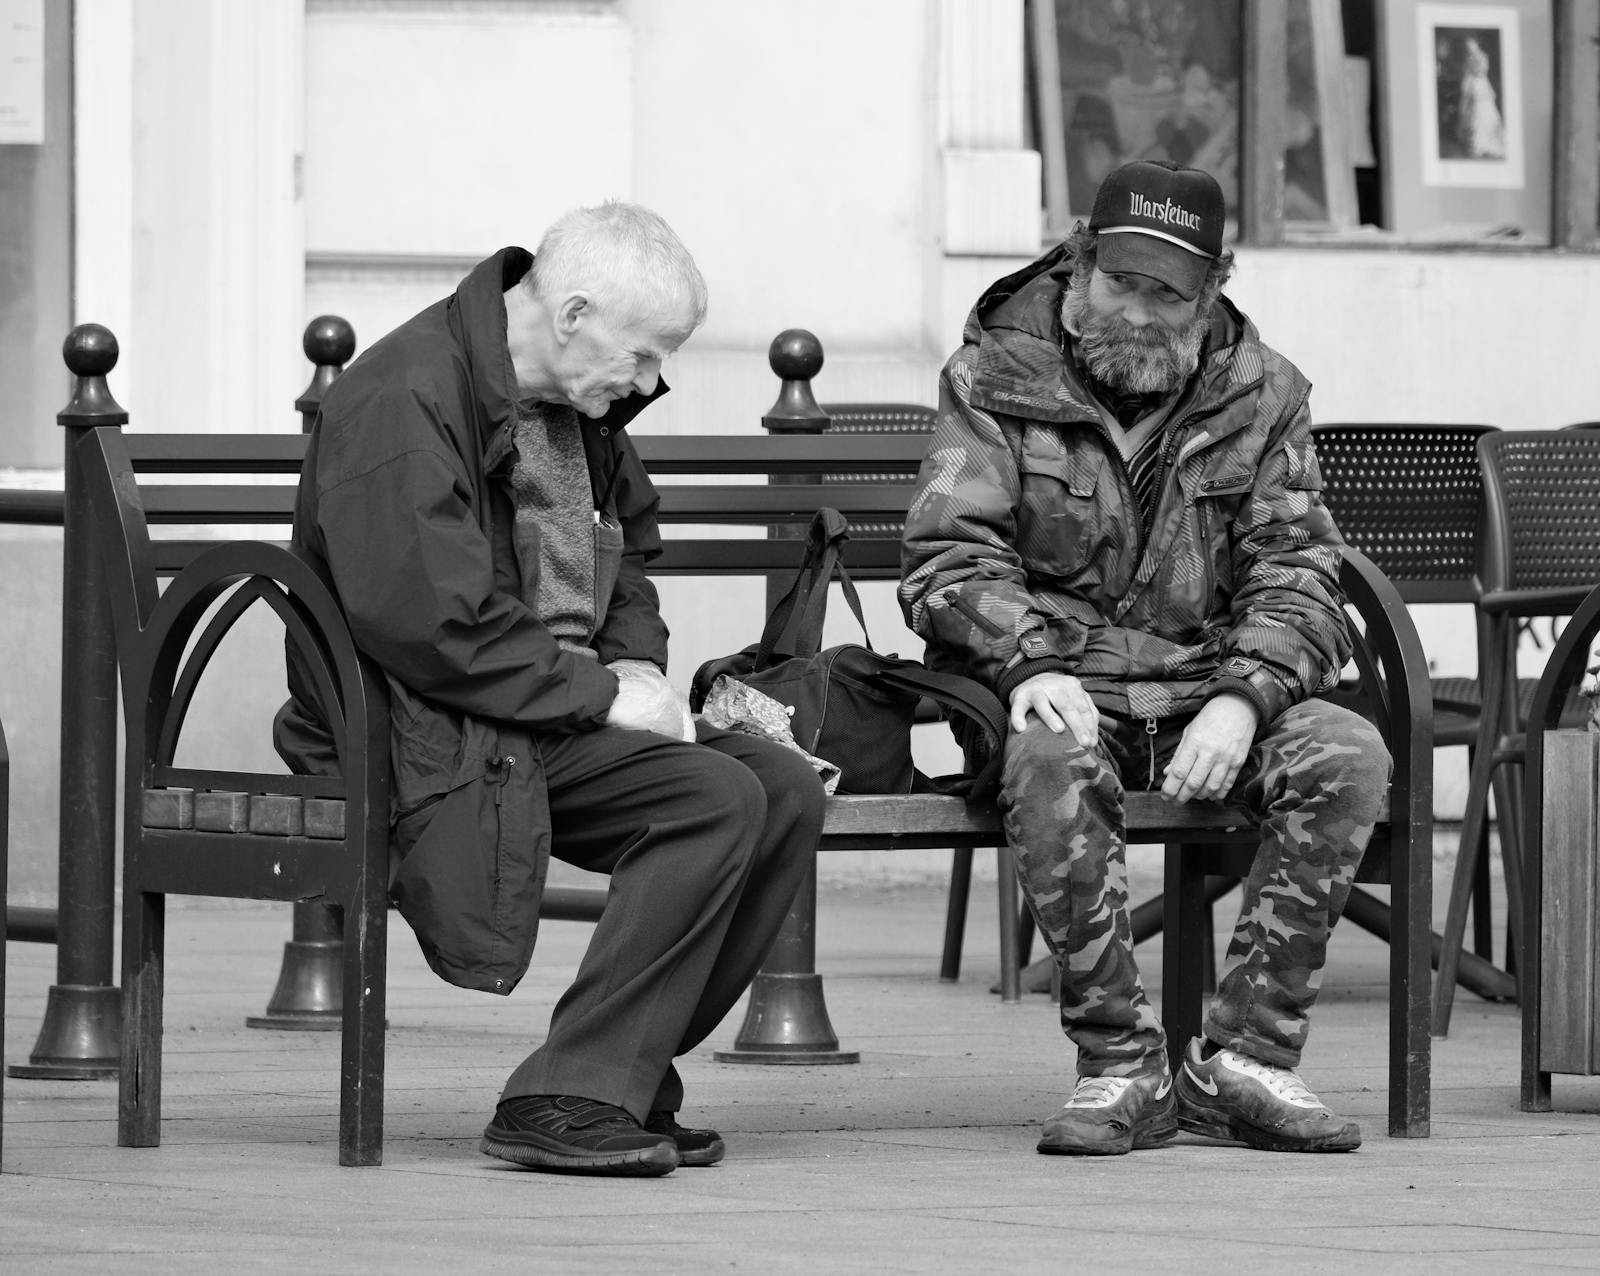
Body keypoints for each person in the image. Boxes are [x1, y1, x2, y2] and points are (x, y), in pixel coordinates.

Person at [274, 201, 823, 1177]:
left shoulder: (579, 406)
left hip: (540, 714)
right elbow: (430, 625)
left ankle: (620, 1070)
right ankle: (569, 1092)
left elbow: (629, 560)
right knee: (712, 799)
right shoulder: (403, 401)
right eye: (646, 354)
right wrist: (602, 695)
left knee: (777, 786)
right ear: (572, 315)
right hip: (427, 726)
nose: (651, 381)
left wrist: (641, 668)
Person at [899, 160, 1386, 1156]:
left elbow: (1298, 569)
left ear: (1211, 291)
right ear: (1079, 264)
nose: (1137, 306)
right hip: (1060, 681)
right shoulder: (990, 376)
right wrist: (1027, 662)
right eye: (1119, 279)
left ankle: (1244, 1060)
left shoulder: (1265, 395)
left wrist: (1247, 696)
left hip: (1209, 683)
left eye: (1166, 289)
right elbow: (948, 555)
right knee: (1046, 754)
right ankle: (1118, 1063)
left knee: (1344, 750)